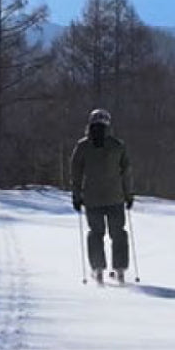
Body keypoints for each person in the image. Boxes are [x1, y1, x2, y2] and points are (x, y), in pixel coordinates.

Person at [70, 108, 133, 284]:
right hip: (115, 197)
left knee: (96, 233)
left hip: (92, 198)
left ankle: (98, 269)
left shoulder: (82, 146)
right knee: (118, 233)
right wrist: (128, 195)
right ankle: (119, 269)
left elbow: (75, 172)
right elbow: (126, 172)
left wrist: (76, 195)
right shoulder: (117, 145)